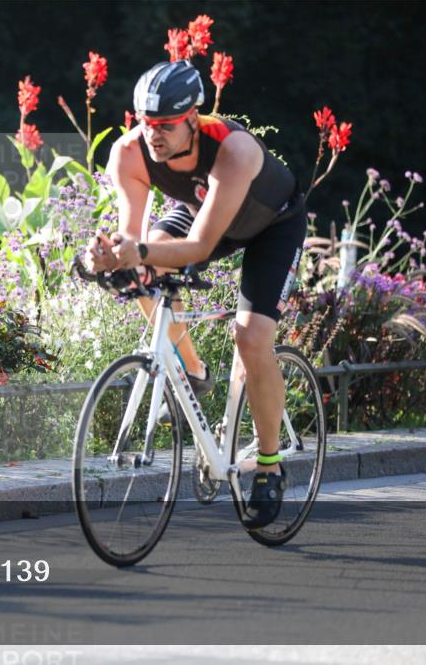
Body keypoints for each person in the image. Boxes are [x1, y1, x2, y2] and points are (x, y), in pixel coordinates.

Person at [83, 59, 307, 529]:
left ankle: (268, 466)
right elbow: (133, 239)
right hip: (201, 212)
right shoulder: (129, 153)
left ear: (194, 118)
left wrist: (137, 252)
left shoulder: (235, 150)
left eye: (165, 126)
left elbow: (202, 247)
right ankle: (192, 368)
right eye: (147, 124)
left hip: (271, 226)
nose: (154, 135)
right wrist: (109, 257)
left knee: (251, 338)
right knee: (142, 270)